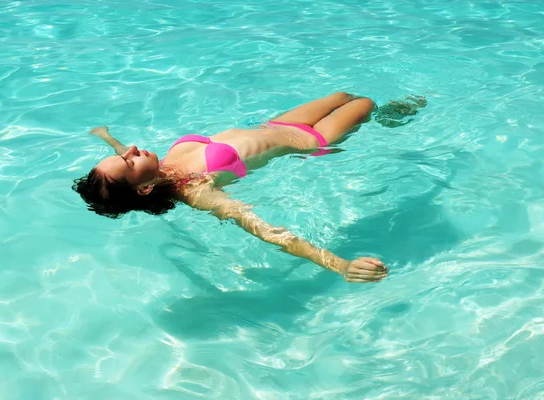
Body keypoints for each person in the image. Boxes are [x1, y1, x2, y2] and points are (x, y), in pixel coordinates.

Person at [73, 93, 426, 283]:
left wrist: (106, 137)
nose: (131, 149)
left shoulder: (154, 169)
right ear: (144, 190)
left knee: (342, 95)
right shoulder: (197, 190)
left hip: (279, 124)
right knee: (362, 104)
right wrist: (339, 265)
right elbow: (267, 232)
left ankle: (377, 112)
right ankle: (389, 116)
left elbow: (120, 152)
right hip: (312, 140)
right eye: (129, 160)